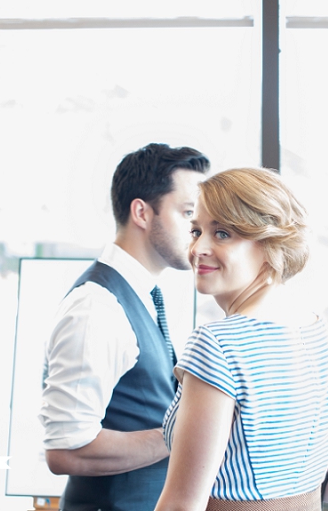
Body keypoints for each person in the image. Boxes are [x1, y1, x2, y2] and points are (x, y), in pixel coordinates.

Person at [155, 168, 328, 511]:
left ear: (271, 243)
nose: (199, 248)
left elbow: (181, 506)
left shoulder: (218, 346)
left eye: (223, 233)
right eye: (196, 231)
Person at [39, 143, 210, 511]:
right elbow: (65, 449)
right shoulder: (96, 307)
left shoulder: (144, 294)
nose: (198, 232)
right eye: (187, 214)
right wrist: (184, 436)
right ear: (142, 213)